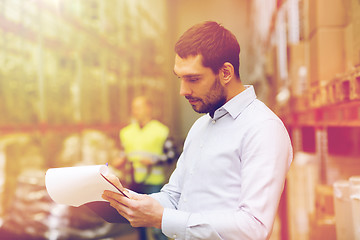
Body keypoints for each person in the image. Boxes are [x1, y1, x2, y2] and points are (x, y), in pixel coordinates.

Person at [103, 21, 293, 240]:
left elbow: (253, 227)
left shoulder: (262, 129)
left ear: (226, 72)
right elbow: (175, 197)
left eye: (193, 79)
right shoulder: (201, 127)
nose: (183, 91)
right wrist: (128, 201)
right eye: (180, 78)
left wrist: (162, 218)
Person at [115, 96, 173, 240]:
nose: (135, 111)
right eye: (133, 108)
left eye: (138, 107)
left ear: (148, 109)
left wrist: (154, 161)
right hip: (134, 183)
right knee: (137, 223)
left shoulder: (161, 131)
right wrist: (119, 160)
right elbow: (124, 153)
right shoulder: (126, 132)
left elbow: (172, 155)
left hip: (154, 183)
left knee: (157, 224)